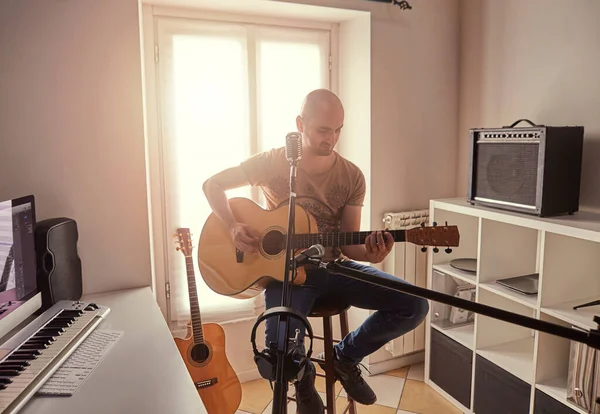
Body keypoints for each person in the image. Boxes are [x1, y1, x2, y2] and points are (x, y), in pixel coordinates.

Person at [202, 89, 429, 414]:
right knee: (279, 355)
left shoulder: (351, 176)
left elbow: (350, 244)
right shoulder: (273, 162)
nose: (332, 138)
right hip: (285, 274)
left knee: (414, 305)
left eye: (338, 129)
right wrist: (233, 226)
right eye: (324, 129)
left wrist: (372, 254)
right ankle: (303, 373)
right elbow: (212, 184)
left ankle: (343, 357)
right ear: (300, 124)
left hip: (334, 269)